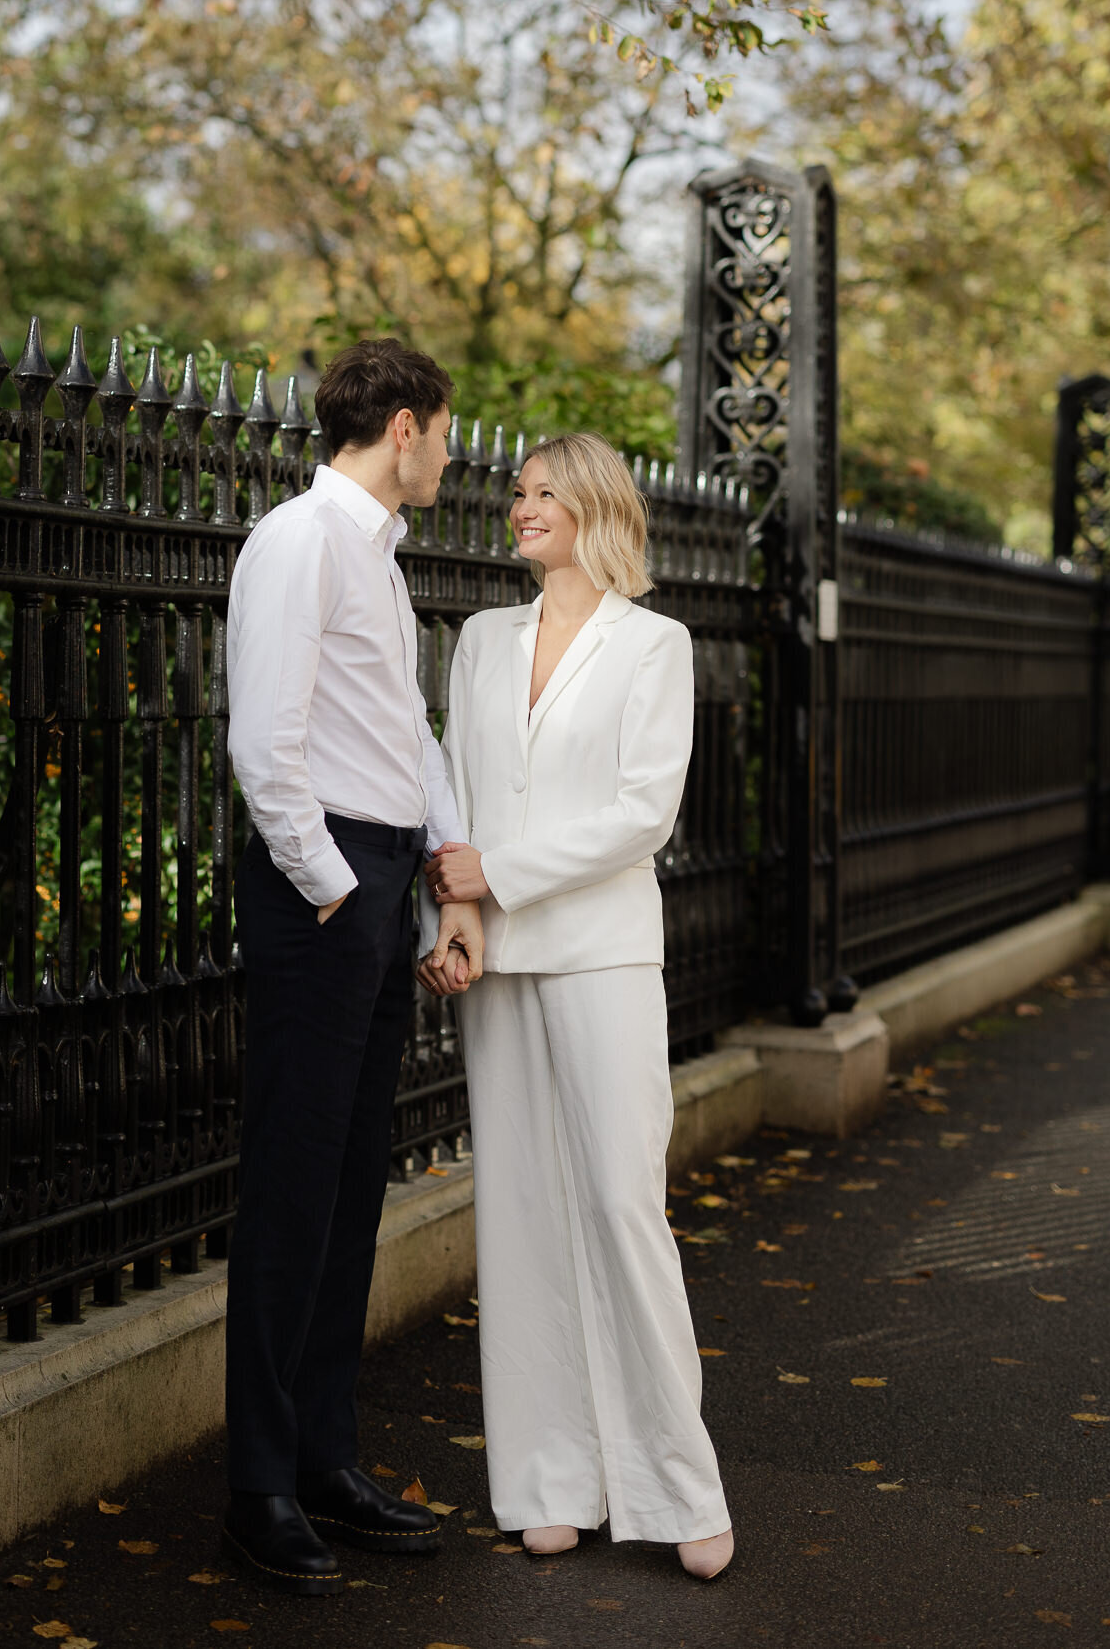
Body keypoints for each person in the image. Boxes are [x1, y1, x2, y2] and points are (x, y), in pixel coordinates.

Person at [424, 431, 734, 1578]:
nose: (521, 508)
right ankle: (549, 1481)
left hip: (602, 955)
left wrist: (498, 877)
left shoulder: (656, 646)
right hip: (497, 960)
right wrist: (456, 922)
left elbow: (642, 813)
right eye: (518, 492)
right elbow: (454, 799)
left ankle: (677, 1489)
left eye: (544, 492)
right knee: (519, 1215)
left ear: (598, 506)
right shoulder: (482, 641)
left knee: (617, 1205)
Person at [223, 338, 485, 1596]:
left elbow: (406, 730)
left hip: (379, 881)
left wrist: (443, 866)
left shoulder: (377, 558)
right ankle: (260, 1484)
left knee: (348, 1191)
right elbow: (264, 743)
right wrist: (336, 891)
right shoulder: (299, 540)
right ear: (400, 427)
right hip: (320, 887)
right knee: (290, 1189)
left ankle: (326, 1456)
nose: (452, 450)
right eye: (444, 430)